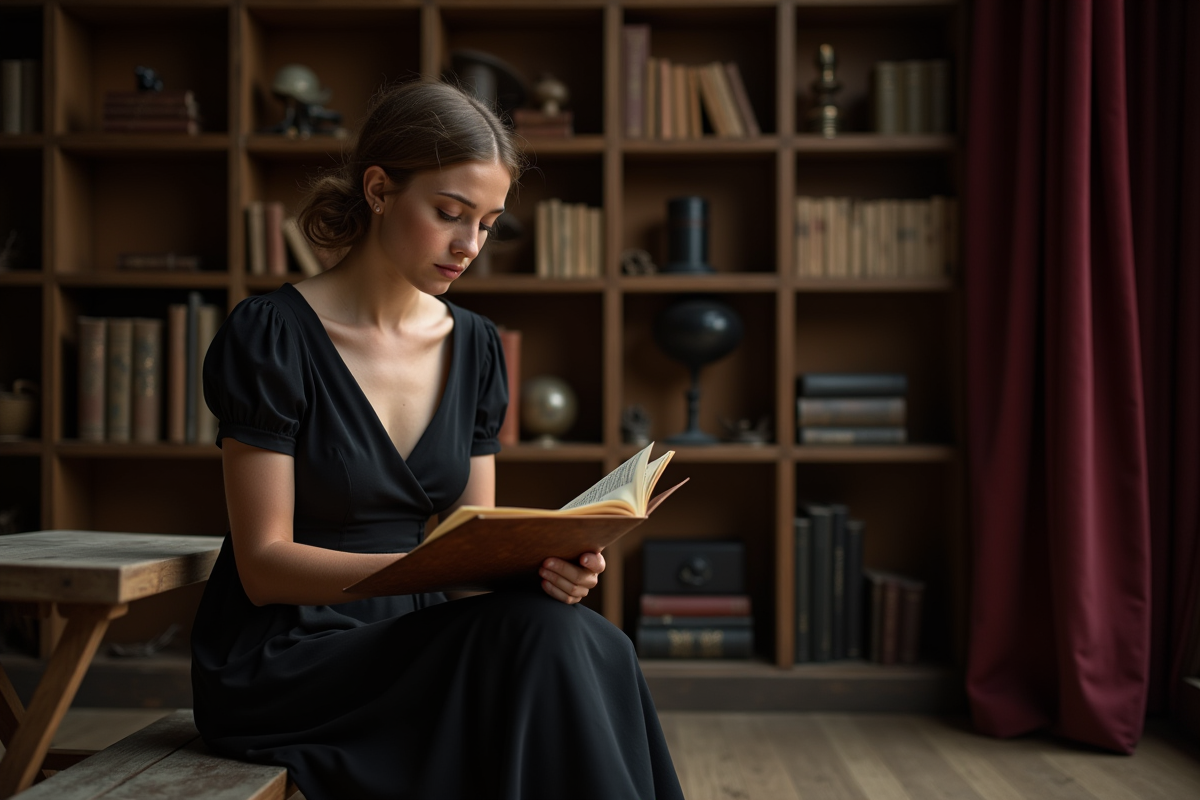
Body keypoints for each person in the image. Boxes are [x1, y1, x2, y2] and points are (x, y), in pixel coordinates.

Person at [190, 78, 685, 800]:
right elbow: (264, 567)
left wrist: (541, 572)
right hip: (287, 658)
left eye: (487, 224)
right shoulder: (271, 336)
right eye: (450, 213)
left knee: (586, 636)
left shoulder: (479, 347)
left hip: (415, 638)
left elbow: (467, 543)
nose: (468, 245)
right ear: (380, 189)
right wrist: (421, 568)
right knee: (538, 643)